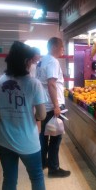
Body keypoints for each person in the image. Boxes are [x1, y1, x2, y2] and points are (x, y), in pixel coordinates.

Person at [0, 41, 47, 190]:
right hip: (29, 142)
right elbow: (41, 115)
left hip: (4, 140)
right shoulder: (34, 84)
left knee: (9, 180)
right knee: (37, 178)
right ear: (26, 61)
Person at [36, 37, 71, 178]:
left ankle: (42, 163)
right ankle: (53, 168)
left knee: (43, 136)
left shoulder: (42, 61)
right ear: (53, 47)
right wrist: (57, 106)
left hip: (43, 104)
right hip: (53, 106)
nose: (63, 49)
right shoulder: (53, 61)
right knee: (56, 137)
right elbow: (51, 84)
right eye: (62, 47)